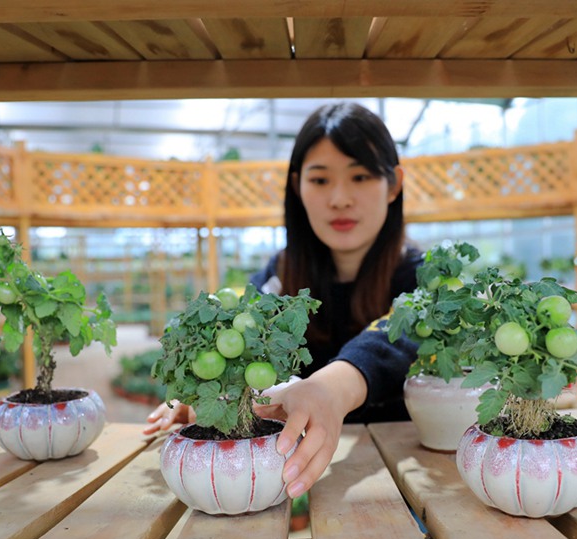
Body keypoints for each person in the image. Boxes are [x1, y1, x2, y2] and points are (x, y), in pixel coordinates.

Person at [144, 102, 422, 500]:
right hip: (288, 483)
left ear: (393, 184)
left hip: (403, 485)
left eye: (360, 176)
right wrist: (215, 399)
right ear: (297, 186)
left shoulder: (424, 279)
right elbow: (248, 336)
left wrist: (327, 390)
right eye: (321, 180)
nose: (340, 198)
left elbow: (396, 336)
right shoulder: (279, 277)